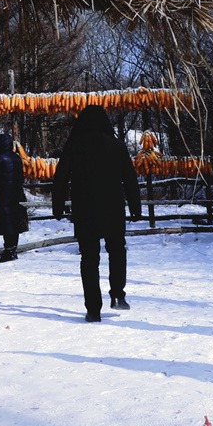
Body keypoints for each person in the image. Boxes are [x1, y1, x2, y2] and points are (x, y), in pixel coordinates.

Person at [51, 107, 141, 322]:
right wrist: (135, 207)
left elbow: (61, 178)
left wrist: (58, 206)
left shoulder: (74, 145)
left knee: (89, 258)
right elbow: (129, 178)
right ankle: (118, 293)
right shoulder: (116, 145)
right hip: (113, 207)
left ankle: (93, 309)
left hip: (85, 208)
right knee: (117, 250)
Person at [0, 132, 28, 262]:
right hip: (16, 193)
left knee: (7, 224)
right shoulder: (16, 158)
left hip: (3, 194)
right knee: (14, 222)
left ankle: (9, 251)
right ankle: (12, 249)